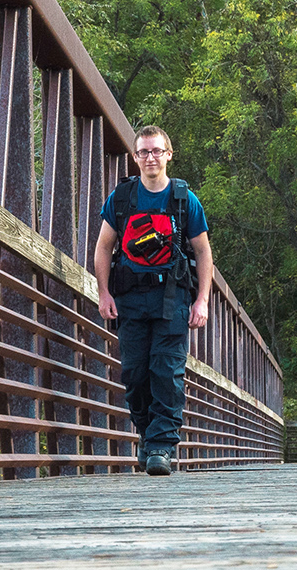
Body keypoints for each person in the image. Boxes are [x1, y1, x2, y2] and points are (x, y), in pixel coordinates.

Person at [94, 125, 215, 476]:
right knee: (135, 374)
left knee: (167, 371)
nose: (151, 158)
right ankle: (148, 436)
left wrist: (202, 300)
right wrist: (103, 292)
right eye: (144, 152)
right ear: (135, 158)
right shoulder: (122, 198)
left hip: (172, 298)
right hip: (130, 298)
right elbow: (103, 247)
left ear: (169, 154)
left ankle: (161, 446)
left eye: (157, 151)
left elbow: (203, 251)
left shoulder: (183, 199)